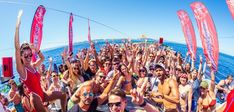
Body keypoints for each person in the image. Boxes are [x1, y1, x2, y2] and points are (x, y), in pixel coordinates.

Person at [14, 10, 67, 112]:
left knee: (63, 95)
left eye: (30, 54)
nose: (29, 57)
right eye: (25, 56)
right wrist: (17, 27)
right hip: (35, 98)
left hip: (43, 94)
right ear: (20, 57)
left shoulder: (33, 66)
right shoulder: (22, 70)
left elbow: (42, 58)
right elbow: (17, 48)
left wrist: (37, 50)